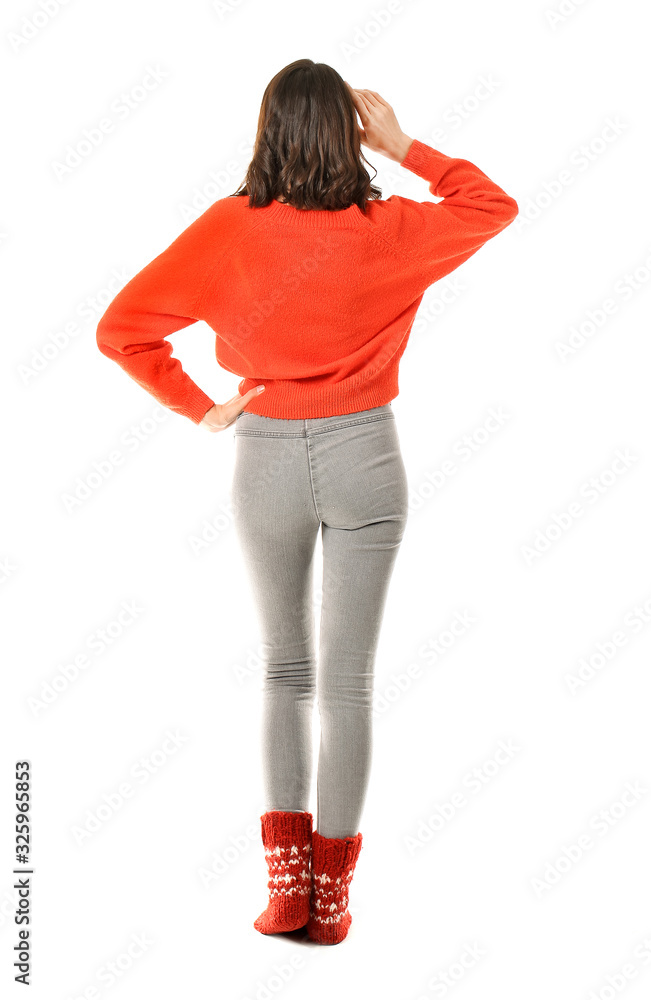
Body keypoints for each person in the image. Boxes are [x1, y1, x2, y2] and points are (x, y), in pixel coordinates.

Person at [95, 58, 519, 946]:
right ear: (346, 134)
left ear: (267, 133)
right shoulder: (389, 226)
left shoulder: (228, 228)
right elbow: (491, 206)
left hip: (265, 461)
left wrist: (202, 408)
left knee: (285, 673)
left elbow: (121, 330)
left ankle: (287, 889)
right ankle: (333, 901)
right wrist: (403, 145)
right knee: (349, 686)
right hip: (367, 455)